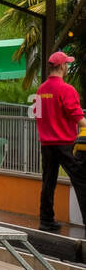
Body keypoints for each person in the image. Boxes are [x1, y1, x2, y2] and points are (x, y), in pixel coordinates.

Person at [33, 50, 86, 233]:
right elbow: (78, 116)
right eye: (67, 64)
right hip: (65, 143)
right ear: (63, 66)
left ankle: (46, 221)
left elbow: (37, 116)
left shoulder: (41, 90)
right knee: (81, 179)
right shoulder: (66, 90)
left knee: (48, 181)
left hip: (47, 144)